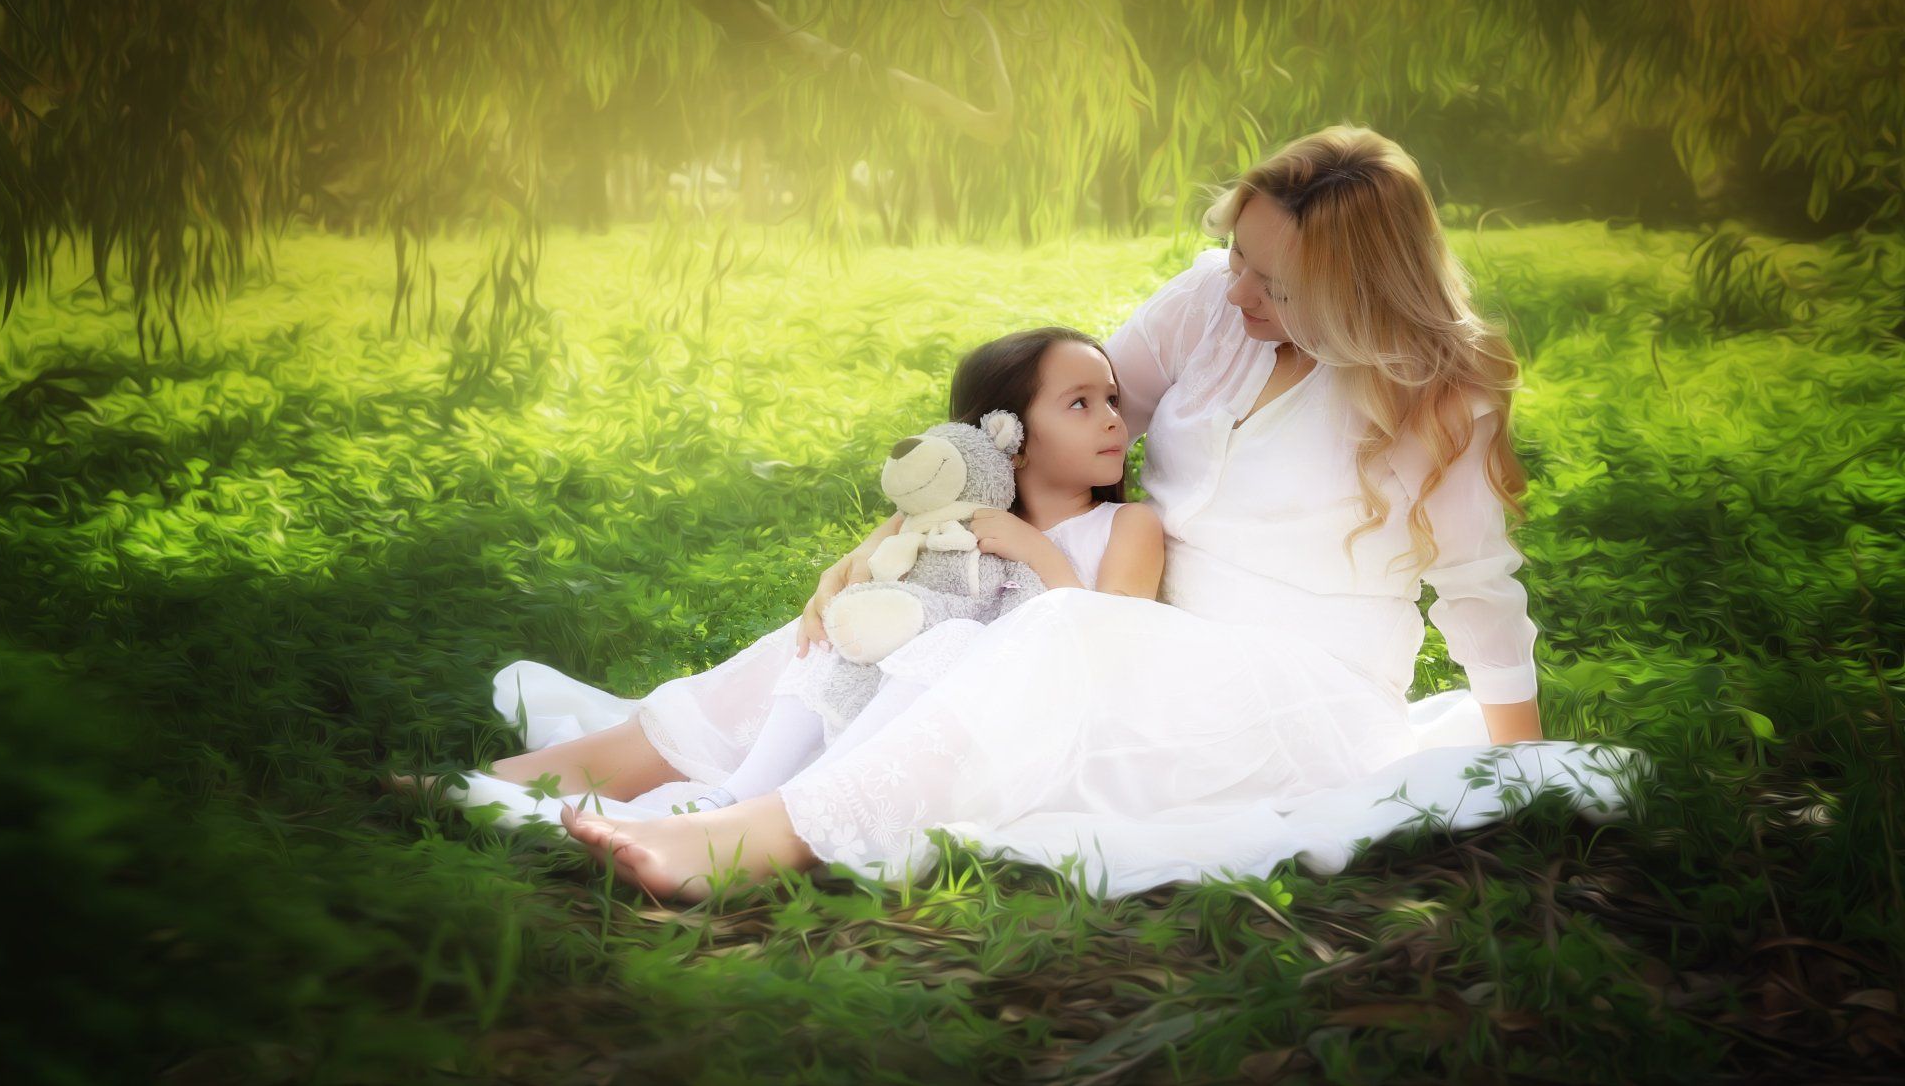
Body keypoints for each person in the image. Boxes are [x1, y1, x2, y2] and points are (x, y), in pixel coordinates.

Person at [549, 124, 1548, 902]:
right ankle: (584, 765)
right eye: (1236, 253)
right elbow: (1046, 431)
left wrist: (1528, 765)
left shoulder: (1438, 395)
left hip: (1299, 693)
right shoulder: (1211, 304)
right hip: (1134, 621)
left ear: (1355, 291)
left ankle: (752, 838)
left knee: (1059, 628)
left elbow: (1478, 592)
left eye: (1274, 284)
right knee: (906, 607)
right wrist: (885, 543)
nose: (1236, 288)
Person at [603, 327, 1168, 817]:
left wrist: (1038, 551)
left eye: (1113, 399)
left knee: (954, 636)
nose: (1114, 421)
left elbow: (1115, 645)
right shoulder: (948, 515)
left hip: (1024, 719)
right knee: (850, 624)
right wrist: (833, 592)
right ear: (1010, 439)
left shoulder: (1128, 525)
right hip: (907, 708)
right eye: (1081, 404)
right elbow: (858, 569)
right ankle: (741, 792)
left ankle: (809, 799)